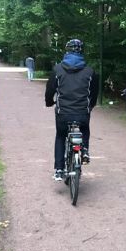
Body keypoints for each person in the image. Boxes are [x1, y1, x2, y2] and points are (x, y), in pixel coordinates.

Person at [45, 39, 99, 181]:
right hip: (82, 112)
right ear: (82, 51)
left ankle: (58, 169)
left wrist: (49, 102)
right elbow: (94, 93)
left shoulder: (57, 69)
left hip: (63, 113)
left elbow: (50, 89)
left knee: (60, 136)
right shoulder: (90, 71)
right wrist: (90, 106)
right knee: (85, 128)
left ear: (66, 51)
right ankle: (85, 150)